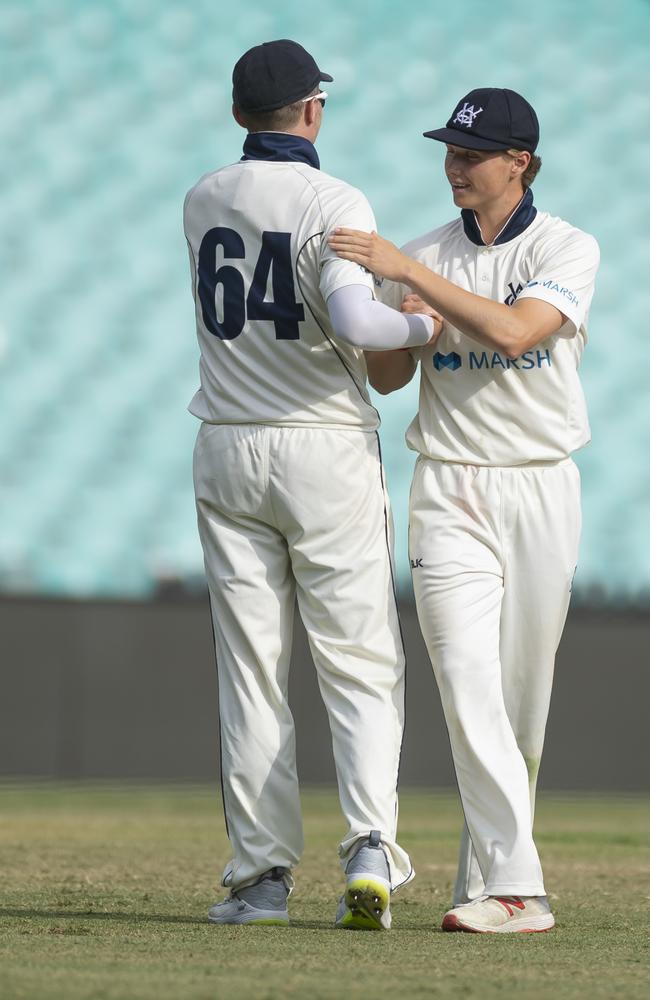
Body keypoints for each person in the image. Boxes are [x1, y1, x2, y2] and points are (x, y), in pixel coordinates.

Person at [330, 87, 600, 933]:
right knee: (464, 678)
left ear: (519, 162)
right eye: (448, 151)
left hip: (540, 482)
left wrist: (411, 280)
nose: (454, 165)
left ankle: (485, 884)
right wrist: (398, 327)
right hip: (449, 485)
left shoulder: (568, 246)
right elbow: (388, 380)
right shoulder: (424, 253)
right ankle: (521, 890)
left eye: (470, 154)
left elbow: (520, 333)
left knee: (521, 703)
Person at [183, 39, 438, 929]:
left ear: (238, 114)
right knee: (360, 658)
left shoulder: (203, 196)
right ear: (313, 110)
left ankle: (260, 880)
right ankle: (371, 845)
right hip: (321, 444)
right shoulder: (335, 199)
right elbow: (352, 316)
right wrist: (416, 323)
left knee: (252, 669)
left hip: (226, 440)